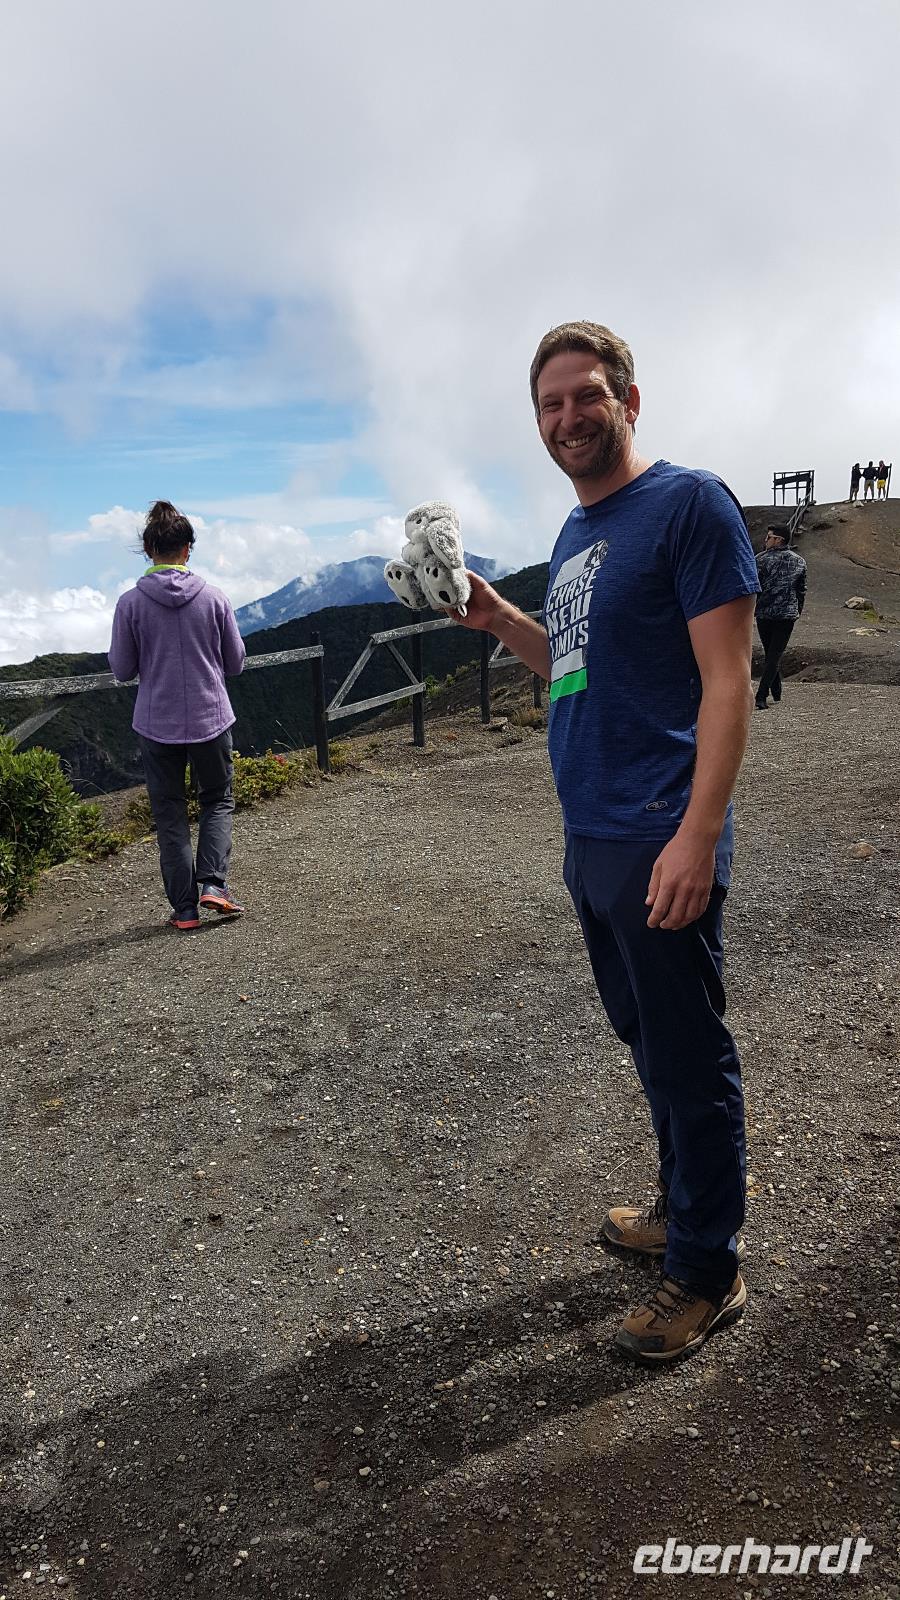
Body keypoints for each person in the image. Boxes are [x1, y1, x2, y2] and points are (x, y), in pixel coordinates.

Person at [450, 322, 760, 1361]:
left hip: (660, 831)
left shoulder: (689, 504)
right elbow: (577, 668)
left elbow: (727, 682)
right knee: (648, 1040)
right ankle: (682, 1208)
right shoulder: (578, 534)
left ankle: (708, 1270)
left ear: (629, 399)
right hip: (592, 836)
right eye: (550, 404)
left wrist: (698, 833)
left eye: (586, 395)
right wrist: (501, 620)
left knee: (689, 1051)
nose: (568, 417)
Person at [108, 501, 247, 931]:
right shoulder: (215, 598)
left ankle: (184, 910)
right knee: (216, 800)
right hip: (211, 719)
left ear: (149, 550)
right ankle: (214, 885)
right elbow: (235, 662)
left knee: (169, 813)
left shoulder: (130, 604)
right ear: (187, 549)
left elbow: (122, 669)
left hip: (156, 724)